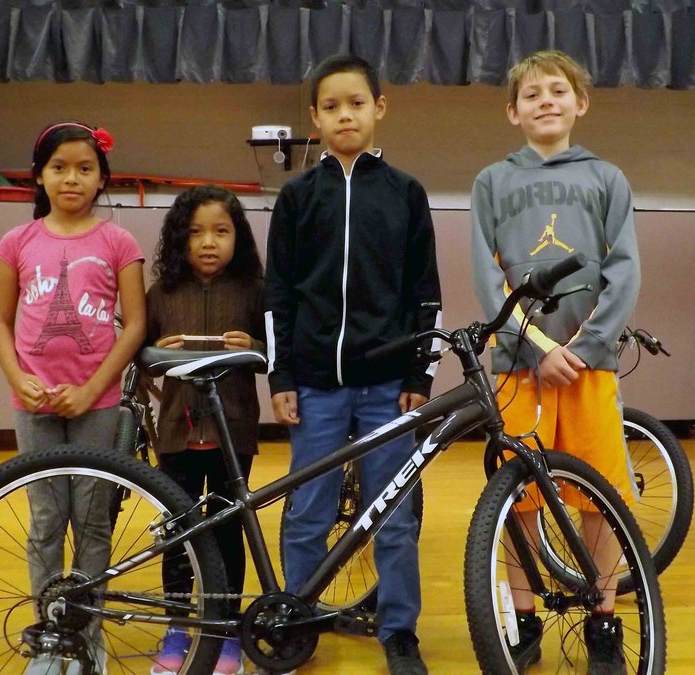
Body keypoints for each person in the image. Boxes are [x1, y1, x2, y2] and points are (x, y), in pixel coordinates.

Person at [265, 54, 442, 675]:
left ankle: (399, 632)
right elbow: (278, 297)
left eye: (357, 103)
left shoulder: (405, 193)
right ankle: (298, 621)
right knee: (308, 512)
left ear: (379, 109)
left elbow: (426, 295)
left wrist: (420, 375)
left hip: (388, 388)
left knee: (394, 516)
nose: (345, 115)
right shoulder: (296, 198)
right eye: (332, 106)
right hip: (314, 386)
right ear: (314, 117)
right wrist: (281, 376)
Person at [470, 50, 641, 675]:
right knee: (517, 498)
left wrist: (586, 345)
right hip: (520, 368)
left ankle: (602, 619)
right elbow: (488, 278)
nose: (546, 100)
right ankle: (523, 618)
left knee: (601, 496)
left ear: (580, 102)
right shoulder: (491, 182)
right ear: (512, 111)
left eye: (558, 90)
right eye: (532, 94)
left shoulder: (607, 178)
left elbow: (624, 270)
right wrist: (536, 347)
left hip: (589, 367)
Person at [0, 120, 146, 674]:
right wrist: (18, 378)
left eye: (84, 168)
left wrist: (92, 389)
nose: (72, 178)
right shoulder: (16, 242)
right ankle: (50, 635)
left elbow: (135, 325)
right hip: (33, 406)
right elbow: (0, 323)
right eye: (59, 167)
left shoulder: (119, 243)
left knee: (93, 518)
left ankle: (88, 632)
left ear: (102, 177)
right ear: (39, 176)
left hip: (95, 405)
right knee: (46, 520)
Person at [144, 185, 266, 675]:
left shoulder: (254, 291)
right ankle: (177, 625)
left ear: (238, 237)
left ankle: (225, 628)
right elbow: (140, 359)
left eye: (221, 231)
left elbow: (276, 356)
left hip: (233, 433)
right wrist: (158, 352)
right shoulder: (162, 293)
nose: (208, 242)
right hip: (176, 432)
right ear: (180, 239)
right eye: (195, 233)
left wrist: (254, 345)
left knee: (229, 531)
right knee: (177, 532)